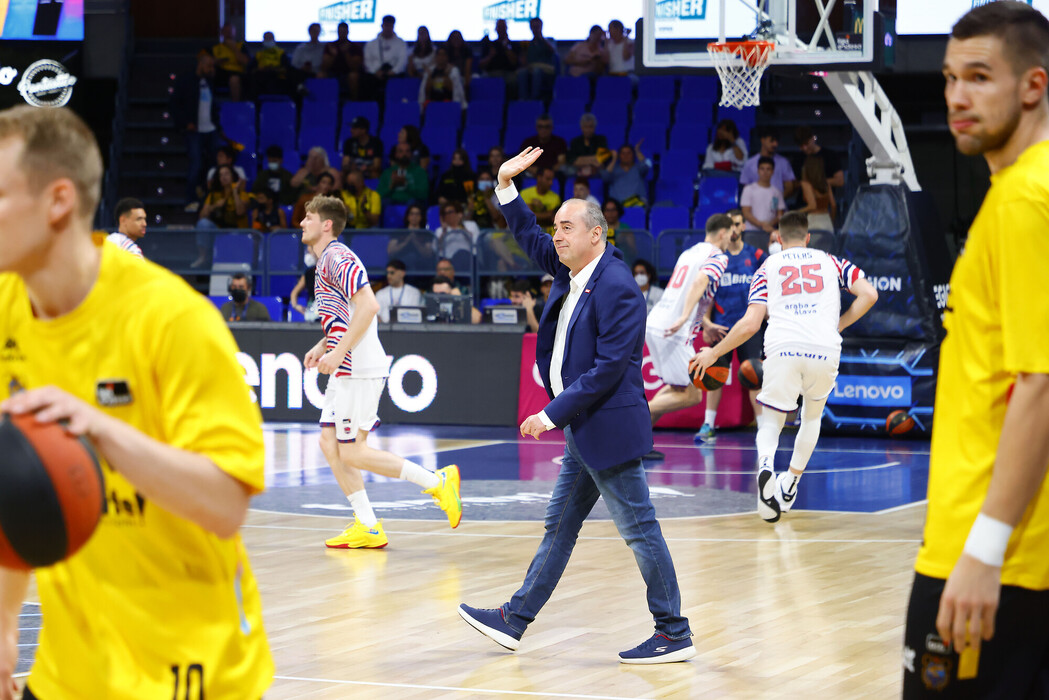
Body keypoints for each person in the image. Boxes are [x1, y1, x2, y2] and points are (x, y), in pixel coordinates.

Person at [0, 105, 272, 700]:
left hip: (192, 671)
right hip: (69, 671)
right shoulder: (5, 309)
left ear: (58, 201)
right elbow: (11, 490)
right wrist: (3, 627)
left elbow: (226, 506)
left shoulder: (173, 319)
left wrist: (101, 432)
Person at [457, 146, 694, 664]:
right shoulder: (571, 270)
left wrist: (550, 414)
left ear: (596, 235)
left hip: (607, 428)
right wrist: (505, 185)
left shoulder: (618, 288)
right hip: (585, 430)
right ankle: (515, 618)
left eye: (566, 227)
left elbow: (607, 370)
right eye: (556, 227)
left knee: (639, 530)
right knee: (560, 526)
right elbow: (528, 234)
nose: (556, 235)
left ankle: (673, 630)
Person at [902, 4, 1049, 697]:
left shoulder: (1024, 201)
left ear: (1033, 85)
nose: (957, 96)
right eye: (949, 77)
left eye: (980, 76)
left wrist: (984, 549)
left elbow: (1040, 383)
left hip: (991, 554)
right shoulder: (1019, 193)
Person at [690, 210, 876, 521]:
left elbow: (751, 323)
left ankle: (766, 467)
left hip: (783, 347)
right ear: (808, 238)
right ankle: (790, 483)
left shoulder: (768, 266)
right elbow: (869, 294)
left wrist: (714, 353)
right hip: (824, 347)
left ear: (778, 238)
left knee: (772, 422)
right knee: (811, 417)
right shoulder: (831, 261)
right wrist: (839, 325)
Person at [299, 195, 462, 548]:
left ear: (326, 224)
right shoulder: (326, 260)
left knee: (352, 451)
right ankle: (368, 525)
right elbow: (347, 315)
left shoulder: (337, 257)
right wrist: (324, 344)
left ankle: (437, 482)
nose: (301, 222)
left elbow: (369, 306)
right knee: (329, 443)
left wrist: (338, 351)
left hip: (357, 366)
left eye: (308, 217)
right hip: (347, 364)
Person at [644, 214, 731, 426]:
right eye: (730, 234)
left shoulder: (689, 253)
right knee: (693, 395)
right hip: (675, 330)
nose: (730, 240)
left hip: (655, 322)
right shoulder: (718, 256)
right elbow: (699, 282)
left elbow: (683, 290)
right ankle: (634, 414)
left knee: (678, 387)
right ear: (722, 233)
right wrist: (684, 317)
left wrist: (705, 324)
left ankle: (639, 439)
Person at [697, 209, 762, 442]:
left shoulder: (756, 255)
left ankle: (763, 428)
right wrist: (706, 324)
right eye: (730, 224)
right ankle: (708, 425)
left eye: (737, 223)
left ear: (743, 226)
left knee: (755, 376)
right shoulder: (716, 259)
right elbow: (705, 295)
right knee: (714, 375)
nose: (733, 228)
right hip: (721, 328)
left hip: (749, 328)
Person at [172, 50, 219, 210]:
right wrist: (185, 123)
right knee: (196, 163)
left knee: (213, 164)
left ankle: (207, 195)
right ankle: (190, 198)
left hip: (210, 128)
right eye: (209, 66)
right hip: (194, 130)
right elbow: (175, 105)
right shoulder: (186, 81)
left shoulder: (210, 81)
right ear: (201, 64)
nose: (211, 69)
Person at [740, 127, 796, 199]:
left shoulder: (784, 162)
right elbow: (746, 188)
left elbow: (789, 187)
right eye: (772, 140)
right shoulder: (749, 163)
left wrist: (777, 201)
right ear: (763, 140)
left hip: (777, 203)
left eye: (777, 141)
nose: (775, 144)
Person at [321, 21, 365, 100]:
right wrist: (333, 55)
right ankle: (323, 101)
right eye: (340, 32)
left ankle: (354, 101)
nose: (341, 34)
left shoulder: (355, 47)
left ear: (347, 32)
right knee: (321, 75)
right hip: (332, 73)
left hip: (348, 73)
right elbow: (324, 67)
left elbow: (355, 67)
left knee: (353, 76)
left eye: (343, 32)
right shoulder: (330, 46)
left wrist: (346, 53)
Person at [517, 17, 558, 101]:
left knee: (537, 72)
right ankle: (523, 99)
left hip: (546, 70)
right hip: (530, 68)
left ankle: (534, 99)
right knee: (522, 72)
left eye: (537, 27)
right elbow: (525, 62)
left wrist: (541, 38)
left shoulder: (549, 40)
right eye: (533, 27)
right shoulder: (528, 44)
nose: (535, 29)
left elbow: (553, 51)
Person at [741, 156, 785, 234]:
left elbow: (780, 215)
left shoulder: (777, 192)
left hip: (770, 231)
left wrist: (769, 225)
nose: (765, 172)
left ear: (773, 171)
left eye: (768, 169)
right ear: (758, 170)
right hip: (751, 231)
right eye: (762, 169)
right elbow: (746, 213)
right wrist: (762, 224)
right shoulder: (748, 189)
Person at [364, 15, 408, 88]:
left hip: (394, 74)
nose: (388, 28)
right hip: (374, 74)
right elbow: (367, 61)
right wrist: (375, 72)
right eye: (386, 25)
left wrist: (393, 71)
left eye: (390, 26)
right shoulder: (371, 44)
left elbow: (402, 61)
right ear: (382, 26)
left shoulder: (401, 43)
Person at [375, 258, 422, 322]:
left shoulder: (414, 293)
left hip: (407, 327)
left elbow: (415, 315)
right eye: (387, 273)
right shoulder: (380, 293)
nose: (388, 276)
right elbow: (376, 315)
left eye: (392, 273)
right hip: (385, 327)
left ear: (402, 273)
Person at [604, 141, 650, 207]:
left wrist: (637, 151)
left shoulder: (638, 168)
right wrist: (614, 159)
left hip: (638, 204)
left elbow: (646, 165)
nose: (626, 156)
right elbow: (605, 177)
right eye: (623, 153)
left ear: (633, 155)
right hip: (617, 206)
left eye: (629, 153)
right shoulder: (613, 169)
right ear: (619, 155)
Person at [211, 22, 249, 101]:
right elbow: (210, 62)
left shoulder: (241, 46)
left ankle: (235, 105)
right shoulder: (216, 48)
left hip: (237, 73)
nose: (228, 34)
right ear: (222, 33)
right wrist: (216, 61)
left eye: (230, 31)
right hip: (221, 73)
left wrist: (234, 48)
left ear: (234, 32)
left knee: (234, 79)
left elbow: (246, 62)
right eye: (226, 31)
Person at [798, 155, 836, 231]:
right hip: (826, 220)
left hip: (814, 221)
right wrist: (831, 220)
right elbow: (833, 205)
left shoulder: (806, 184)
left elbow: (812, 206)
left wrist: (796, 212)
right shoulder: (826, 184)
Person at [519, 166, 561, 232]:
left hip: (548, 232)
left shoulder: (555, 197)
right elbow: (526, 217)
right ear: (539, 178)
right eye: (548, 179)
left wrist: (542, 208)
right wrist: (546, 214)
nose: (551, 183)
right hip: (527, 230)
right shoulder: (525, 193)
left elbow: (552, 219)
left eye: (552, 179)